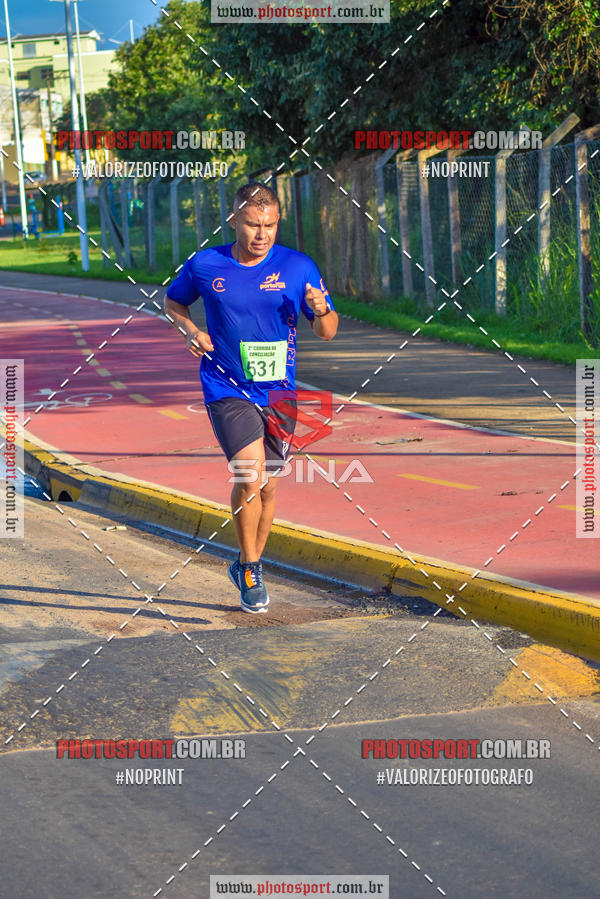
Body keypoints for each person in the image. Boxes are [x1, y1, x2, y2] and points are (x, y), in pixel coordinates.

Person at [164, 183, 338, 614]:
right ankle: (254, 568)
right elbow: (173, 302)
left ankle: (244, 561)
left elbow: (329, 331)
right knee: (250, 473)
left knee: (271, 485)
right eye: (252, 224)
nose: (262, 234)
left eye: (271, 225)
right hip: (225, 385)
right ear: (233, 221)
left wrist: (319, 309)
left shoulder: (299, 268)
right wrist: (192, 332)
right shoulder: (206, 264)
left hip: (279, 390)